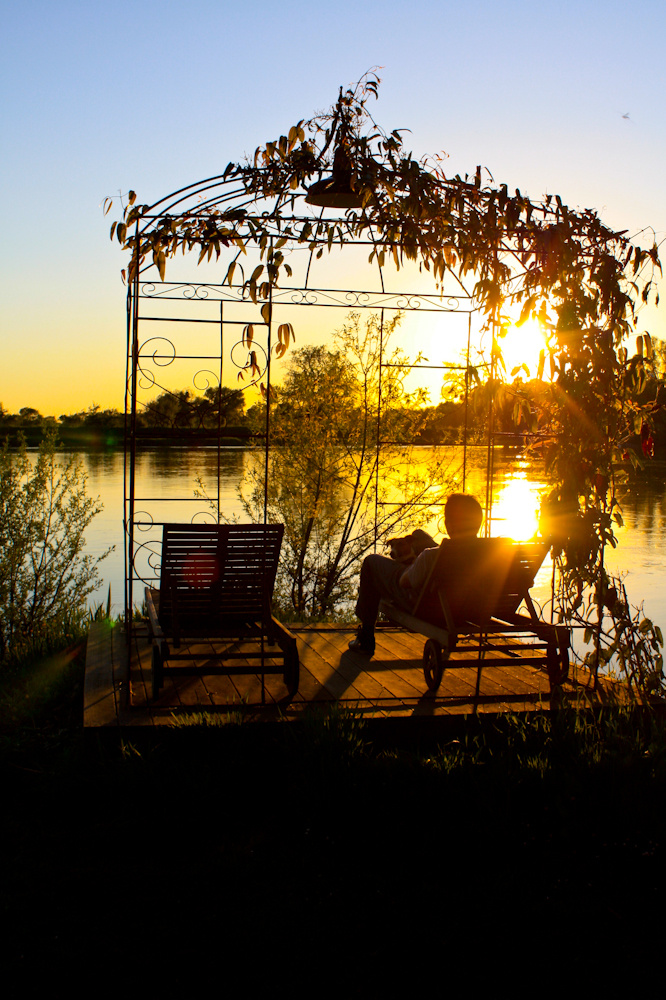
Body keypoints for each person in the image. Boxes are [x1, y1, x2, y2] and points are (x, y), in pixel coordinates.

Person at [348, 493, 484, 654]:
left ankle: (365, 638)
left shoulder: (433, 556)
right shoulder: (495, 555)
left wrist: (415, 565)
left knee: (371, 561)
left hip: (428, 607)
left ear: (449, 525)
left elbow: (404, 582)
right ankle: (413, 553)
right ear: (478, 524)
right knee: (419, 534)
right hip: (473, 609)